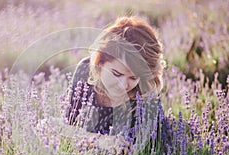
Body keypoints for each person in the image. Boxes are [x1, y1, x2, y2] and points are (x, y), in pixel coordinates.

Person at [66, 16, 166, 145]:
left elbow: (141, 149)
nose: (123, 85)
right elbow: (69, 125)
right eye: (116, 74)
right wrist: (105, 142)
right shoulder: (85, 71)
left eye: (133, 78)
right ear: (100, 63)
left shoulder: (146, 95)